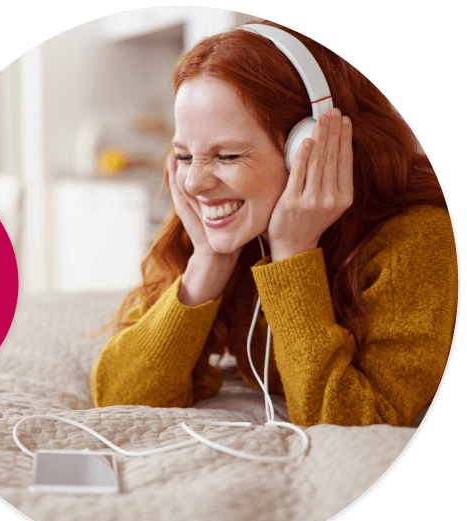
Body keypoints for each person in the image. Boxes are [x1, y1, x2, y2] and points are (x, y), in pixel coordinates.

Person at [90, 20, 458, 427]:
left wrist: (295, 254)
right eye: (184, 155)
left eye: (227, 157)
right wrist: (209, 261)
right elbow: (118, 398)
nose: (194, 182)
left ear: (307, 148)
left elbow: (354, 424)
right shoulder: (229, 225)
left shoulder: (418, 236)